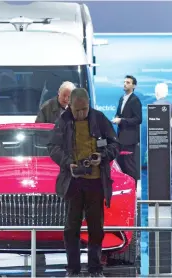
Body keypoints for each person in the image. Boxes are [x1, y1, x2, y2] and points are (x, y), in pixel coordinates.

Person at [48, 88, 119, 277]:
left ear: (89, 105)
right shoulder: (63, 121)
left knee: (96, 228)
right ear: (69, 105)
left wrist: (101, 157)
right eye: (77, 110)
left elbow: (114, 144)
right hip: (74, 183)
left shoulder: (100, 118)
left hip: (96, 183)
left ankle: (95, 269)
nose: (80, 114)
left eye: (84, 110)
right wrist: (67, 163)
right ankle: (73, 269)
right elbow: (52, 147)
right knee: (71, 228)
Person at [112, 75, 142, 190]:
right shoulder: (122, 98)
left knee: (130, 165)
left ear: (134, 85)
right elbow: (119, 114)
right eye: (124, 82)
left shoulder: (135, 100)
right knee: (121, 164)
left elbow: (138, 119)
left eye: (128, 82)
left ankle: (132, 189)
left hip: (130, 138)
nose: (125, 84)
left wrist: (122, 120)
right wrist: (116, 118)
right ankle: (123, 189)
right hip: (121, 137)